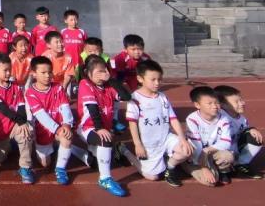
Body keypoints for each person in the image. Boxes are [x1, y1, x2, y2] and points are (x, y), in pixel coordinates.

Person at [116, 59, 192, 187]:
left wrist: (182, 139)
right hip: (148, 144)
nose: (157, 83)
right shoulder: (135, 99)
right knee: (152, 177)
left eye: (159, 79)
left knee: (187, 150)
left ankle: (170, 168)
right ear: (140, 79)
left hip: (165, 138)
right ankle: (124, 151)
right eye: (153, 80)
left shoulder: (162, 97)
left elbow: (173, 119)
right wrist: (138, 145)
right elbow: (132, 124)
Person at [76, 55, 131, 197]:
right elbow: (93, 109)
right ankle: (105, 179)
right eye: (99, 71)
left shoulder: (109, 86)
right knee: (105, 140)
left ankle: (74, 150)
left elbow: (126, 97)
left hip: (102, 128)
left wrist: (111, 80)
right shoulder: (85, 84)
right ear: (88, 73)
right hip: (88, 127)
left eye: (105, 71)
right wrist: (100, 129)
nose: (103, 74)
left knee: (95, 163)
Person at [0, 54, 36, 184]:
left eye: (10, 70)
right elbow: (1, 108)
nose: (9, 73)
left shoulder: (16, 87)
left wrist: (22, 122)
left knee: (26, 131)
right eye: (5, 70)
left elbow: (21, 107)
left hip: (13, 126)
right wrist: (20, 120)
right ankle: (11, 144)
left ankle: (25, 168)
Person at [25, 56, 74, 185]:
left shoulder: (58, 87)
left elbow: (65, 107)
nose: (47, 76)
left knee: (67, 137)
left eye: (49, 72)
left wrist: (67, 124)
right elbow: (41, 116)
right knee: (45, 164)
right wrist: (57, 128)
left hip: (59, 128)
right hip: (43, 131)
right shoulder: (30, 92)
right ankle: (47, 147)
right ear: (34, 74)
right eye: (43, 72)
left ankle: (60, 169)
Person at [185, 86, 236, 185]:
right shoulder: (192, 119)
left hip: (210, 152)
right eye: (209, 103)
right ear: (197, 105)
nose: (215, 106)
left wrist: (208, 150)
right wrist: (204, 168)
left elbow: (226, 142)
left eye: (217, 102)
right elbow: (196, 146)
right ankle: (187, 166)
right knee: (211, 182)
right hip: (196, 155)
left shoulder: (224, 117)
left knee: (228, 156)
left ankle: (222, 170)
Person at [214, 85, 263, 179]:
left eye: (241, 100)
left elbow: (244, 131)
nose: (242, 103)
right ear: (222, 105)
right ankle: (220, 167)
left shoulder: (242, 119)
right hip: (221, 151)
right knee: (226, 172)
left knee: (255, 136)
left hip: (234, 150)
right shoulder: (219, 117)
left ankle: (242, 163)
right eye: (236, 102)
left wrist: (251, 129)